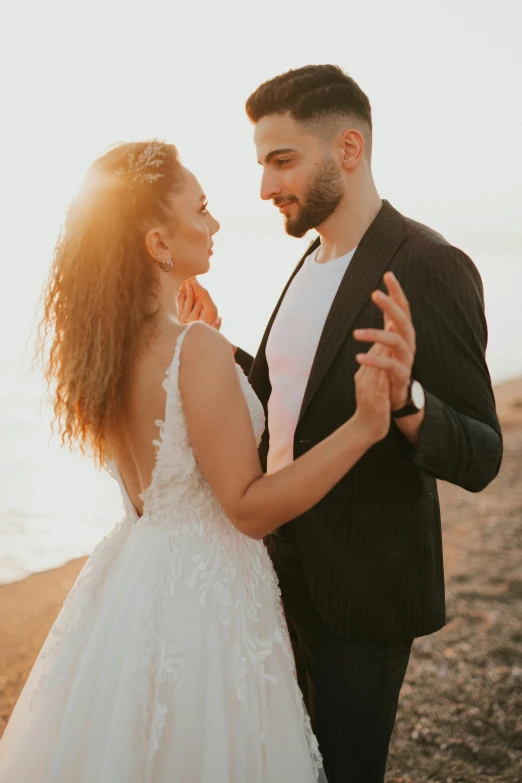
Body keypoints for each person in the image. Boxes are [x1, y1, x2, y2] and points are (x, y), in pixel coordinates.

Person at [0, 140, 393, 783]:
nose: (214, 224)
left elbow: (147, 494)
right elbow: (248, 510)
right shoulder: (196, 350)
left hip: (136, 583)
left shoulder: (103, 353)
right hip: (207, 603)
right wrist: (363, 427)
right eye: (202, 209)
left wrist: (206, 346)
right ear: (159, 241)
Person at [177, 65, 503, 783]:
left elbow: (483, 454)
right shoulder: (309, 259)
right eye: (261, 162)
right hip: (272, 574)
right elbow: (283, 399)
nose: (265, 186)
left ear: (348, 150)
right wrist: (215, 346)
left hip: (363, 594)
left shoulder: (431, 265)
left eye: (281, 160)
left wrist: (407, 400)